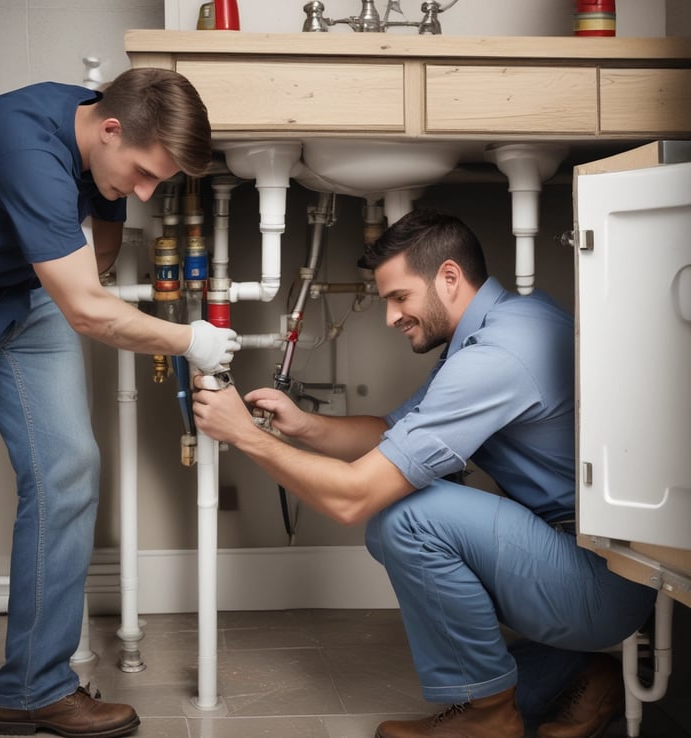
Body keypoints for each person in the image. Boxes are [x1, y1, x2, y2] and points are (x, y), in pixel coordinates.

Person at [192, 208, 657, 738]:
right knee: (414, 495)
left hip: (599, 581)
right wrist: (302, 425)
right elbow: (397, 433)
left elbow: (353, 499)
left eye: (399, 297)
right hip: (598, 563)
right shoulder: (508, 322)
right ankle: (583, 675)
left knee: (405, 515)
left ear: (450, 278)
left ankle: (490, 716)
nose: (390, 317)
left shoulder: (497, 357)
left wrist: (246, 436)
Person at [0, 68, 239, 737]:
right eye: (145, 174)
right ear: (111, 129)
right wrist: (191, 339)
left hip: (28, 300)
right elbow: (91, 313)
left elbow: (98, 249)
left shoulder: (105, 143)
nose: (147, 192)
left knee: (68, 474)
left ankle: (36, 690)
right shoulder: (25, 142)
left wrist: (68, 283)